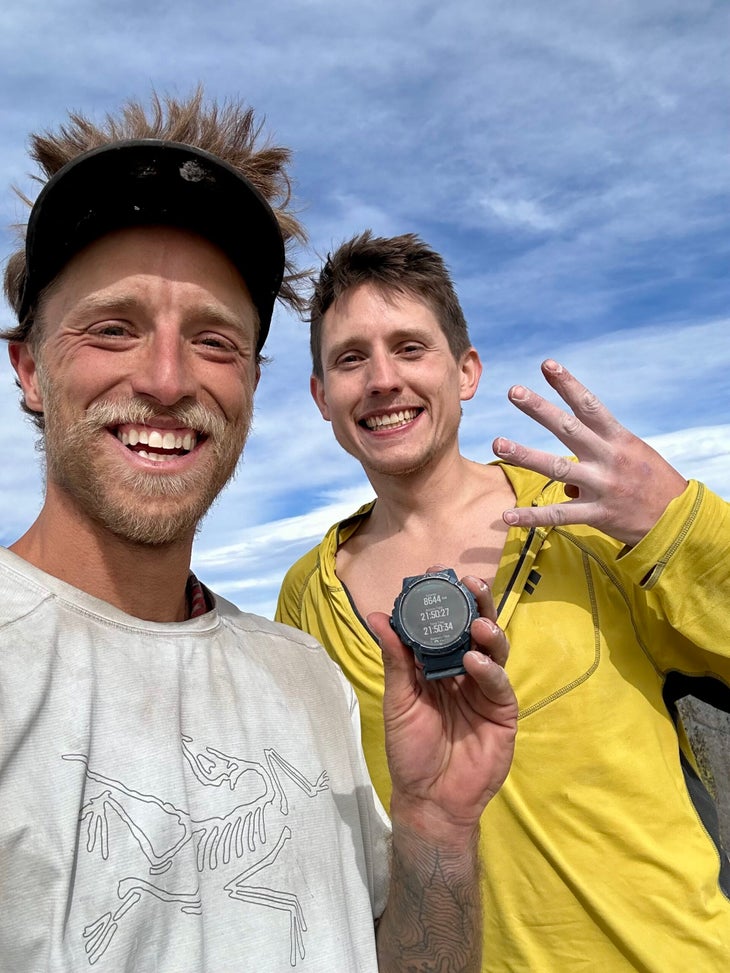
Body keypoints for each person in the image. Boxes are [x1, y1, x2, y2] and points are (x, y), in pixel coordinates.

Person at [0, 95, 518, 973]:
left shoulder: (308, 678)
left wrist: (435, 824)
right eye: (114, 327)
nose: (167, 380)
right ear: (30, 367)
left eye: (214, 341)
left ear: (249, 385)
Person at [276, 230, 730, 971]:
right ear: (324, 397)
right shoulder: (306, 596)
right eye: (351, 358)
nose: (382, 379)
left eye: (410, 348)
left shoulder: (592, 518)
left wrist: (675, 518)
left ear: (466, 371)